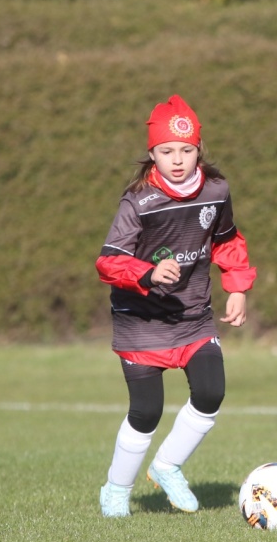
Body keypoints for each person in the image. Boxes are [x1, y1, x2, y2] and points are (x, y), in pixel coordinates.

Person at [95, 94, 257, 517]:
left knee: (211, 391)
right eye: (167, 151)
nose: (178, 160)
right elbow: (108, 261)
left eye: (186, 150)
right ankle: (116, 490)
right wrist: (148, 274)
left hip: (192, 316)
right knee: (146, 412)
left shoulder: (217, 190)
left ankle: (167, 466)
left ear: (199, 149)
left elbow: (227, 241)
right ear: (152, 153)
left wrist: (237, 286)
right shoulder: (137, 201)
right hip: (141, 320)